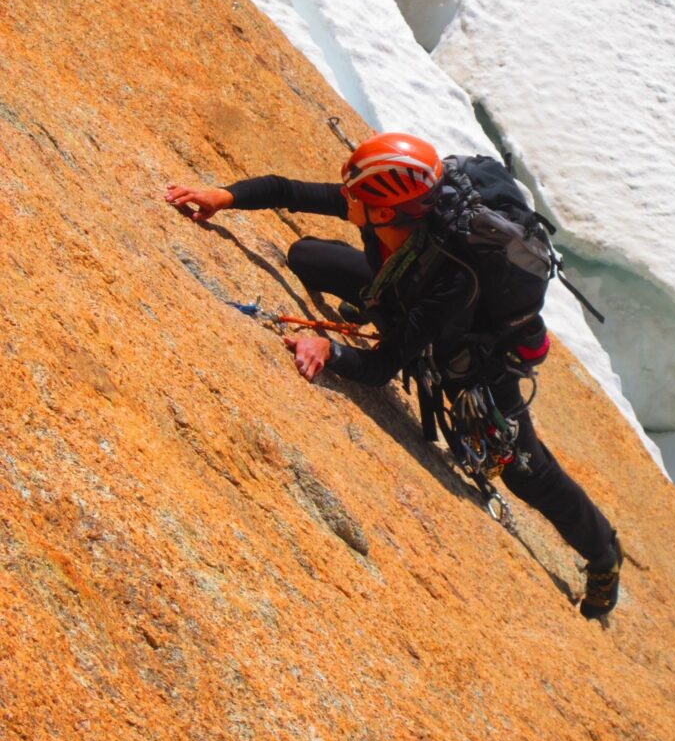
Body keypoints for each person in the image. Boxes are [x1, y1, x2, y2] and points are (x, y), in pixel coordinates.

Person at [165, 132, 623, 617]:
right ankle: (380, 303)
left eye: (355, 194)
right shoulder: (393, 210)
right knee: (306, 256)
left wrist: (331, 351)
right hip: (404, 293)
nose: (346, 197)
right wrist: (225, 196)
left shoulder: (453, 278)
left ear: (385, 212)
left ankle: (603, 555)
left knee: (526, 472)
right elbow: (290, 190)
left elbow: (384, 365)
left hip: (469, 360)